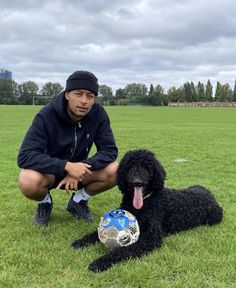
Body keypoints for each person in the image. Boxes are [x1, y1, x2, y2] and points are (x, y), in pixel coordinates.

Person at [17, 70, 118, 226]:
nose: (84, 101)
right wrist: (67, 167)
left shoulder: (98, 114)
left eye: (90, 96)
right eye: (78, 94)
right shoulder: (46, 115)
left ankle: (78, 201)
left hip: (81, 172)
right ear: (67, 95)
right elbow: (25, 155)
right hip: (50, 173)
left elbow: (110, 150)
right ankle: (45, 203)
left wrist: (80, 168)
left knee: (116, 170)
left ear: (94, 99)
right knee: (27, 179)